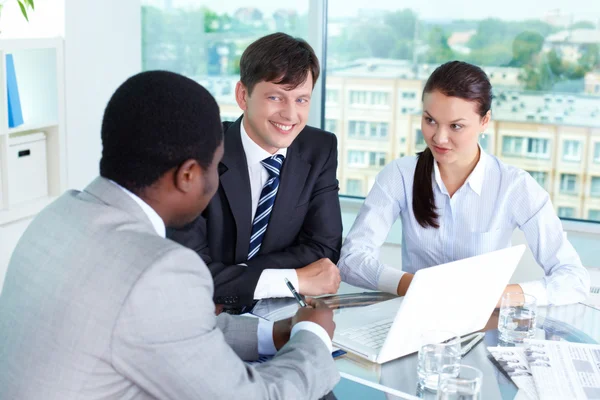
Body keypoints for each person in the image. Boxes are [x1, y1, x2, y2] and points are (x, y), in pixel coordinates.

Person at [0, 71, 339, 399]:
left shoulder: (58, 215)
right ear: (189, 175)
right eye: (216, 165)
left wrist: (272, 333)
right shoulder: (157, 269)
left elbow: (165, 329)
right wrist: (313, 337)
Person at [338, 60, 590, 306]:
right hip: (414, 317)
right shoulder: (400, 175)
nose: (439, 137)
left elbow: (573, 279)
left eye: (456, 126)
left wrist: (495, 297)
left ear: (484, 121)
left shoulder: (515, 186)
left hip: (484, 323)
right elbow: (351, 261)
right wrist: (415, 287)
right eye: (430, 120)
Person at [169, 32, 343, 313]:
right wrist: (291, 278)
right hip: (199, 314)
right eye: (276, 97)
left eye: (301, 100)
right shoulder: (198, 153)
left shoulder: (320, 149)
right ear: (242, 95)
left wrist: (232, 278)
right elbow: (189, 269)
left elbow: (324, 248)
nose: (290, 115)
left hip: (283, 312)